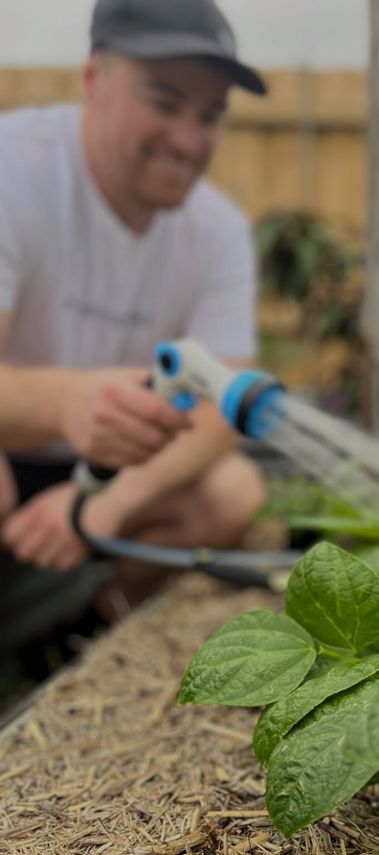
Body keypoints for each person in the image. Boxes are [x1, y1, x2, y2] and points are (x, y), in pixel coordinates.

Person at [0, 0, 270, 647]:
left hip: (105, 472)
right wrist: (67, 403)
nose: (188, 137)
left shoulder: (218, 230)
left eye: (210, 115)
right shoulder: (16, 171)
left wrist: (99, 505)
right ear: (94, 80)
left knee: (233, 494)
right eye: (165, 101)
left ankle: (79, 636)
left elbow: (219, 408)